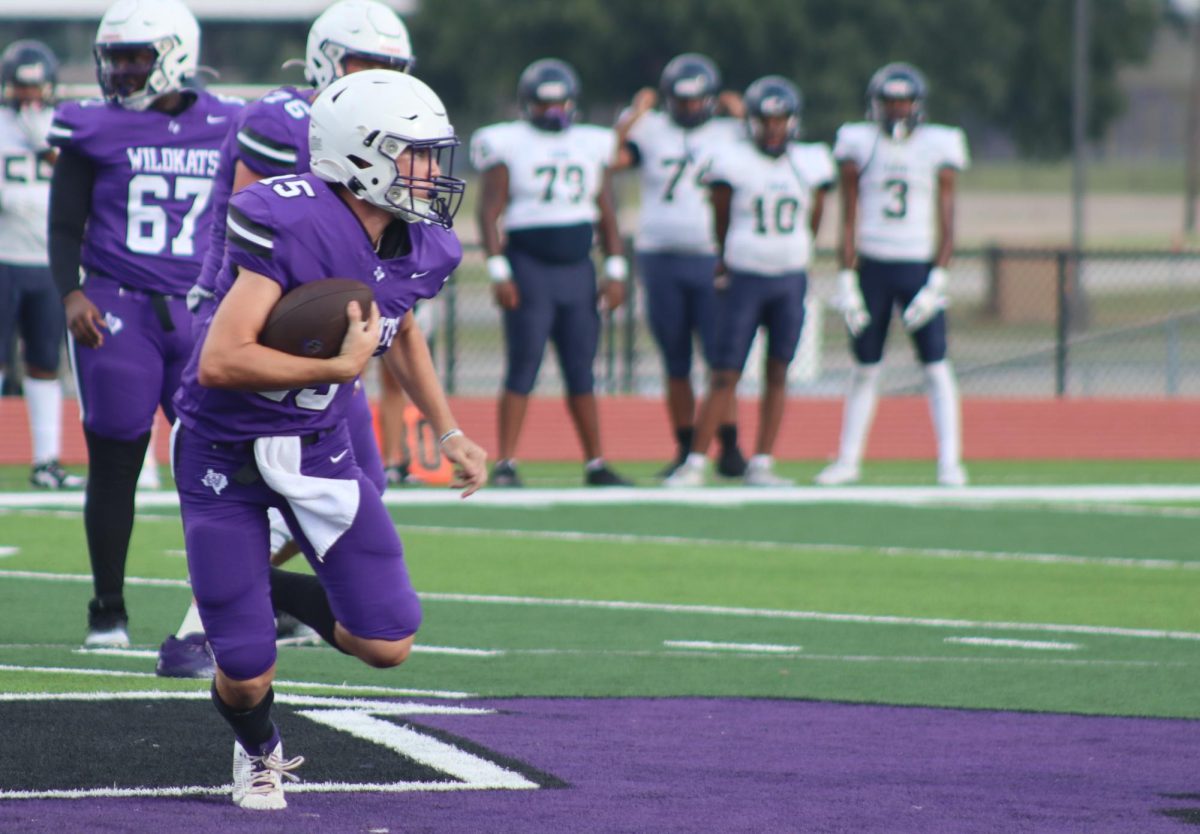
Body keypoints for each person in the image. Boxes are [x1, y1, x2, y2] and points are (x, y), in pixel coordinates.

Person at [172, 68, 485, 810]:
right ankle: (259, 751)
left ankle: (246, 585)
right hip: (225, 448)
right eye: (414, 155)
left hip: (317, 446)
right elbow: (220, 360)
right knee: (246, 666)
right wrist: (340, 364)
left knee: (387, 641)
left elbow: (401, 332)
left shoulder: (425, 246)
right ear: (362, 155)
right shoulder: (293, 220)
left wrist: (449, 430)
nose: (432, 172)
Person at [157, 0, 416, 678]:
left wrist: (445, 429)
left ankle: (247, 598)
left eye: (392, 68)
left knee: (362, 489)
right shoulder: (281, 118)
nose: (378, 78)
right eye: (366, 63)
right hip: (252, 317)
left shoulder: (384, 137)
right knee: (255, 478)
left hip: (321, 333)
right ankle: (203, 625)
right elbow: (263, 235)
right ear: (328, 60)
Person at [46, 0, 244, 648]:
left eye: (137, 58)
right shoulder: (91, 127)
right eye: (116, 58)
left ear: (175, 56)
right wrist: (71, 293)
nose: (123, 71)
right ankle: (108, 608)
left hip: (200, 310)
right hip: (119, 307)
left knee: (224, 463)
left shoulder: (230, 122)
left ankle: (236, 604)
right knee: (116, 459)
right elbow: (64, 224)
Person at [665, 76, 833, 488]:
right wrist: (726, 258)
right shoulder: (732, 161)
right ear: (752, 122)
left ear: (792, 122)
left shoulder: (810, 161)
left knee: (779, 370)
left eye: (780, 120)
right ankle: (695, 463)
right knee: (725, 372)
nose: (773, 128)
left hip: (789, 278)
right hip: (745, 279)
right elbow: (720, 217)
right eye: (765, 120)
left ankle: (762, 461)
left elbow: (814, 218)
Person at [472, 58, 631, 488]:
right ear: (527, 105)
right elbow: (489, 212)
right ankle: (506, 463)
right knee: (523, 364)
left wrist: (616, 269)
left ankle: (596, 463)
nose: (553, 112)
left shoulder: (592, 143)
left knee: (582, 369)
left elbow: (607, 212)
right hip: (530, 267)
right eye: (543, 105)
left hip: (578, 269)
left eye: (558, 103)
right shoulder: (506, 142)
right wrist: (499, 270)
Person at [815, 62, 969, 487]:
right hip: (872, 265)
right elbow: (848, 214)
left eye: (903, 101)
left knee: (936, 367)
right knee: (865, 367)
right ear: (876, 105)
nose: (897, 110)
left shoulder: (939, 144)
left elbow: (948, 217)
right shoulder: (858, 142)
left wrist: (938, 280)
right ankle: (849, 460)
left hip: (917, 263)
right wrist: (846, 279)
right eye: (889, 102)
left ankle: (950, 462)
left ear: (917, 104)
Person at [612, 53, 749, 479]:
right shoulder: (651, 129)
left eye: (697, 100)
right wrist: (635, 113)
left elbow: (770, 143)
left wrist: (744, 111)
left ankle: (728, 445)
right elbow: (611, 157)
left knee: (720, 359)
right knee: (675, 359)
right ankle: (686, 446)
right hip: (660, 256)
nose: (689, 108)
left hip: (712, 257)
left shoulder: (732, 132)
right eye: (682, 100)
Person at [0, 40, 83, 490]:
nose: (30, 96)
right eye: (21, 87)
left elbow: (75, 174)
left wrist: (43, 144)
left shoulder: (62, 125)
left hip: (47, 262)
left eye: (36, 87)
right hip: (3, 256)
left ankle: (45, 461)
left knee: (44, 362)